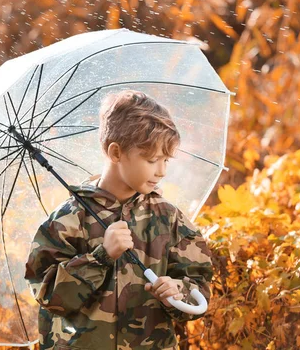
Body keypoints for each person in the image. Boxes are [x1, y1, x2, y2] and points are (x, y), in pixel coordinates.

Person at [24, 89, 214, 350]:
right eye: (152, 160)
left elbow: (200, 290)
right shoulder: (67, 221)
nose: (161, 171)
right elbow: (49, 297)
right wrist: (101, 256)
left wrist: (176, 291)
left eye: (166, 160)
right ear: (116, 153)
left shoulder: (169, 219)